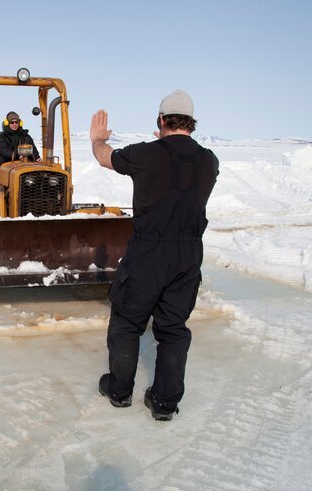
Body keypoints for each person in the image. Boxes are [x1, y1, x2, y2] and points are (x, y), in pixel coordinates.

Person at [91, 90, 219, 421]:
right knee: (174, 328)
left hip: (149, 252)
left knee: (127, 322)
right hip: (188, 255)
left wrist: (97, 139)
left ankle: (119, 391)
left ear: (161, 121)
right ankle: (164, 402)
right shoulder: (209, 161)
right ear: (192, 123)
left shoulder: (146, 154)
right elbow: (179, 175)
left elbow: (105, 157)